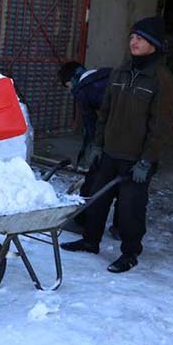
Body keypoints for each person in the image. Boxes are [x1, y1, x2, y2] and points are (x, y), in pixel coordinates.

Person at [61, 16, 173, 273]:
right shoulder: (120, 72)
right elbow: (105, 113)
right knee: (96, 200)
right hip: (109, 152)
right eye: (132, 37)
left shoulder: (162, 80)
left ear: (154, 44)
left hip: (136, 159)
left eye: (140, 38)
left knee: (130, 209)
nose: (133, 42)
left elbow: (160, 127)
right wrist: (97, 145)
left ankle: (130, 253)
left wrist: (147, 160)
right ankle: (91, 241)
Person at [57, 62, 119, 238]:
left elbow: (91, 126)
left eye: (68, 86)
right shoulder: (107, 74)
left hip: (109, 141)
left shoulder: (84, 90)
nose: (70, 91)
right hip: (129, 140)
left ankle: (83, 221)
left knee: (94, 181)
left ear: (73, 79)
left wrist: (90, 151)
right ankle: (120, 229)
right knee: (124, 183)